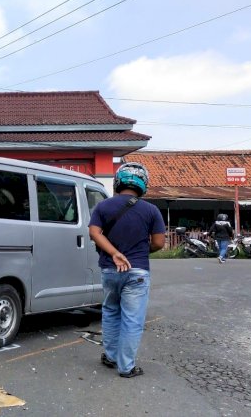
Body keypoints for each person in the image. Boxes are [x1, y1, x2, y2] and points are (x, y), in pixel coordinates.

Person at [88, 162, 166, 378]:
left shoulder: (103, 207)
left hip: (110, 271)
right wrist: (140, 250)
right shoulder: (151, 210)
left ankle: (111, 357)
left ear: (118, 182)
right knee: (132, 319)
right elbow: (159, 242)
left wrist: (114, 253)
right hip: (137, 272)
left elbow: (94, 233)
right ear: (143, 184)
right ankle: (126, 367)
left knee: (111, 312)